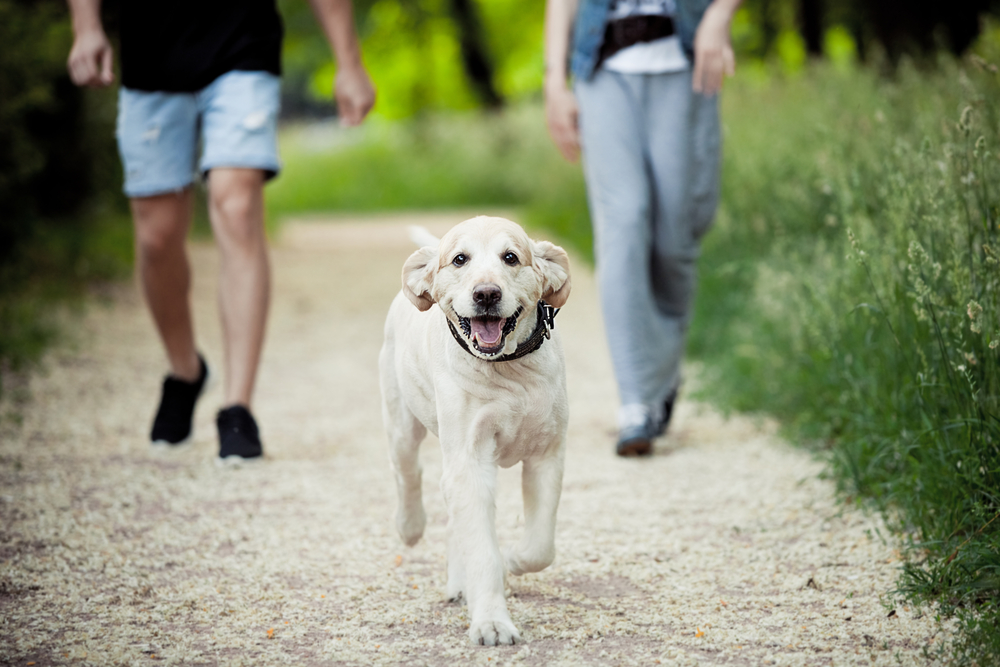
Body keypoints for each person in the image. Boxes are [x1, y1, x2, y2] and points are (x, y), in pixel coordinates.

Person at [66, 0, 375, 463]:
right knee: (157, 235)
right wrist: (86, 25)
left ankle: (238, 407)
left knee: (237, 204)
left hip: (243, 48)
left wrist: (348, 62)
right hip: (151, 59)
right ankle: (186, 371)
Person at [544, 0, 740, 456]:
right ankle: (635, 401)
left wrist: (720, 14)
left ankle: (663, 370)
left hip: (685, 60)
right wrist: (554, 81)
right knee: (624, 222)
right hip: (602, 67)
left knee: (675, 238)